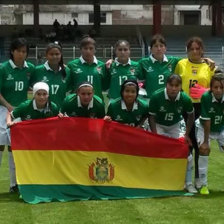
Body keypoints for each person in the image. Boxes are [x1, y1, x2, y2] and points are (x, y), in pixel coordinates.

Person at [174, 36, 216, 189]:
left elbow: (216, 88)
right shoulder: (181, 64)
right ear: (187, 50)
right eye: (191, 48)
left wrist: (206, 90)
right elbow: (175, 81)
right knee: (186, 143)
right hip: (184, 107)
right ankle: (185, 180)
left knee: (200, 144)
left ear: (202, 50)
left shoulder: (209, 67)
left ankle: (199, 179)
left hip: (202, 108)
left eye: (197, 48)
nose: (195, 51)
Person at [148, 74, 195, 193]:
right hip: (159, 124)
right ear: (166, 85)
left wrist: (187, 134)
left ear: (180, 86)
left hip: (176, 124)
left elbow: (191, 115)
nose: (173, 88)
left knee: (186, 152)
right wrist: (155, 135)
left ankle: (188, 183)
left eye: (177, 85)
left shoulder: (185, 98)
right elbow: (152, 118)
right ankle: (158, 180)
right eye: (171, 85)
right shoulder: (156, 96)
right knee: (157, 150)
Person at [0, 37, 35, 192]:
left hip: (20, 113)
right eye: (18, 51)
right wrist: (8, 106)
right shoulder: (3, 68)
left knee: (16, 149)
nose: (21, 54)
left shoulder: (30, 68)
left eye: (24, 51)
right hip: (2, 111)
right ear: (12, 52)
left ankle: (15, 184)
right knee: (0, 147)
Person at [195, 74, 224, 195]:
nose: (218, 90)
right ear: (211, 88)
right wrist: (206, 141)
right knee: (204, 150)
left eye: (221, 87)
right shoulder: (206, 97)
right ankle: (203, 185)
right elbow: (207, 120)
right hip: (204, 127)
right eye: (215, 87)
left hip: (221, 128)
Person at [31, 42, 71, 108]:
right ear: (46, 55)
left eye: (57, 54)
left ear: (61, 55)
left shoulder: (67, 71)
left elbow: (69, 91)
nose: (54, 56)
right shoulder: (38, 70)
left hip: (61, 111)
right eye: (51, 54)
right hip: (42, 111)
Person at [67, 36, 107, 101]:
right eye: (85, 48)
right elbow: (68, 86)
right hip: (76, 103)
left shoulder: (102, 66)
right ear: (80, 49)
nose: (88, 51)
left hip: (96, 103)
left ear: (95, 50)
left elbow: (105, 86)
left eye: (91, 48)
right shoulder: (71, 65)